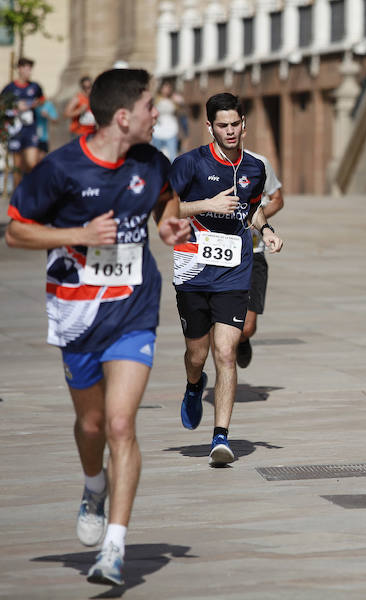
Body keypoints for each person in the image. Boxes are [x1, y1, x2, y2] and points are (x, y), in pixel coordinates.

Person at [5, 68, 191, 586]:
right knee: (91, 427)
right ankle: (93, 485)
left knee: (119, 425)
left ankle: (114, 547)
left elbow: (163, 200)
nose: (160, 114)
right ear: (124, 116)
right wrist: (78, 232)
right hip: (77, 312)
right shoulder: (62, 169)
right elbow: (17, 232)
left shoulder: (152, 162)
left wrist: (168, 223)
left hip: (134, 307)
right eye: (151, 106)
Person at [169, 93, 283, 465]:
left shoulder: (256, 167)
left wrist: (265, 230)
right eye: (223, 125)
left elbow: (251, 211)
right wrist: (206, 205)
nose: (230, 131)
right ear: (210, 127)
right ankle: (192, 385)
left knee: (225, 352)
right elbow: (164, 210)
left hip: (235, 271)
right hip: (193, 270)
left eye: (235, 124)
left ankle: (221, 437)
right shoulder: (189, 164)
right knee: (196, 353)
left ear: (244, 124)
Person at [237, 147, 285, 368]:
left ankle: (242, 339)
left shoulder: (258, 163)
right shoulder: (201, 162)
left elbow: (277, 199)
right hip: (217, 258)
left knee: (247, 327)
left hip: (253, 252)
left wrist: (257, 221)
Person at [2, 57, 45, 189]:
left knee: (32, 162)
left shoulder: (35, 86)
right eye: (26, 69)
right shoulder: (9, 88)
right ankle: (17, 195)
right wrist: (16, 106)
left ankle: (31, 189)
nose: (28, 72)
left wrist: (35, 104)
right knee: (18, 165)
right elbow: (2, 105)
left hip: (30, 128)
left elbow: (43, 99)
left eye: (30, 69)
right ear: (19, 69)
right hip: (15, 130)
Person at [151, 81, 181, 161]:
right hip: (158, 131)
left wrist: (178, 102)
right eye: (165, 87)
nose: (167, 90)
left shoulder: (173, 99)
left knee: (172, 156)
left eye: (168, 88)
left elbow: (179, 112)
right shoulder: (156, 99)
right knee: (156, 156)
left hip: (171, 131)